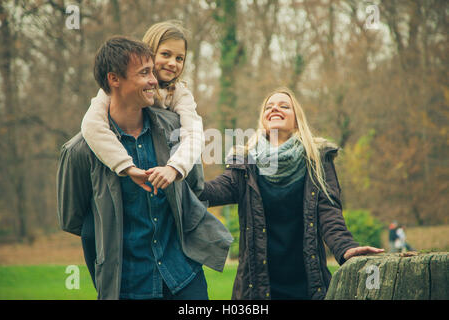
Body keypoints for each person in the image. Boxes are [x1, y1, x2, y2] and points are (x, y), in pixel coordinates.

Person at [56, 36, 232, 300]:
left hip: (184, 279)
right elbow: (75, 219)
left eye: (152, 71)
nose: (155, 80)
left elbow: (193, 188)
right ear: (114, 79)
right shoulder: (80, 151)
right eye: (144, 73)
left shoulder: (177, 131)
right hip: (127, 286)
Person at [199, 87, 384, 300]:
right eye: (269, 107)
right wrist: (176, 172)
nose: (275, 108)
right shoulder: (245, 163)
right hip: (257, 290)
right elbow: (210, 192)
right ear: (264, 120)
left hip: (307, 287)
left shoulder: (317, 160)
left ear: (297, 120)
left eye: (284, 106)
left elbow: (330, 215)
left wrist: (346, 248)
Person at [81, 20, 204, 195]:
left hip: (163, 171)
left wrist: (175, 167)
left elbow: (194, 133)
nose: (172, 63)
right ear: (149, 53)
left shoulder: (178, 93)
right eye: (166, 54)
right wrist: (125, 166)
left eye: (179, 58)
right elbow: (92, 125)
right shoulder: (117, 87)